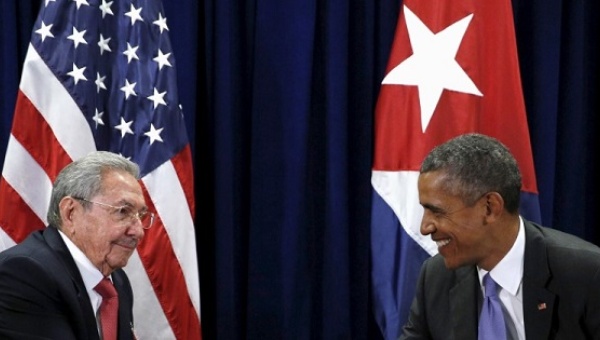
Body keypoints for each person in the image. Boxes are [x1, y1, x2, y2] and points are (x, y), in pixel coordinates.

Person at [400, 133, 600, 339]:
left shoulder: (587, 275)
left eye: (437, 211)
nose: (425, 227)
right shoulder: (436, 277)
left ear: (490, 208)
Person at [0, 151, 152, 339]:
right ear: (71, 212)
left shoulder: (117, 282)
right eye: (123, 211)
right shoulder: (23, 274)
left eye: (141, 216)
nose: (138, 231)